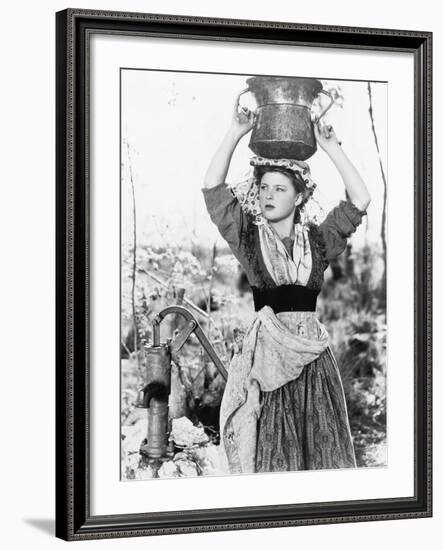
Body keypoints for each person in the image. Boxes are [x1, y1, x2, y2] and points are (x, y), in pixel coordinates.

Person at [202, 90, 371, 475]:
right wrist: (234, 132)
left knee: (323, 454)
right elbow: (213, 190)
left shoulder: (317, 240)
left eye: (279, 189)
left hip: (314, 363)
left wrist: (330, 146)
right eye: (263, 188)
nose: (268, 195)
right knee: (277, 458)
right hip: (269, 364)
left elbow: (360, 199)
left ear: (298, 198)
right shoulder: (248, 238)